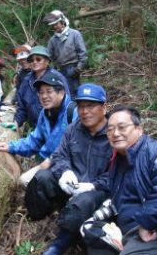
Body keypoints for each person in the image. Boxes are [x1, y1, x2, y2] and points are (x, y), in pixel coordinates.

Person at [25, 83, 113, 255]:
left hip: (95, 193)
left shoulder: (114, 133)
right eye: (81, 106)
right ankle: (38, 218)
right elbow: (59, 155)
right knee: (42, 177)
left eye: (91, 106)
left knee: (84, 201)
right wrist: (65, 172)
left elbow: (119, 174)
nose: (85, 111)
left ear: (104, 107)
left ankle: (60, 244)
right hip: (71, 185)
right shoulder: (74, 128)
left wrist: (93, 185)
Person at [90, 106, 157, 255]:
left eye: (122, 127)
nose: (115, 133)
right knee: (91, 233)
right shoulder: (118, 160)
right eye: (110, 129)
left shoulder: (156, 152)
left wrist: (145, 221)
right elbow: (122, 197)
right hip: (128, 228)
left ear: (139, 129)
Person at [0, 73, 77, 187]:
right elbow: (35, 140)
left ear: (61, 93)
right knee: (24, 181)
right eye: (41, 92)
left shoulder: (73, 112)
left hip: (69, 166)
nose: (44, 96)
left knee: (32, 182)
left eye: (49, 91)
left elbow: (78, 147)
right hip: (48, 163)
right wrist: (11, 146)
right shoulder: (45, 113)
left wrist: (52, 159)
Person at [14, 46, 69, 129]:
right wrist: (16, 122)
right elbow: (21, 106)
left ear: (47, 61)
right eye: (31, 60)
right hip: (35, 129)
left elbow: (66, 104)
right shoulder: (26, 80)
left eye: (38, 59)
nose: (34, 62)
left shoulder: (57, 78)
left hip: (55, 128)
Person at [44, 10, 87, 99]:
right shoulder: (53, 40)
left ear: (62, 22)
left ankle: (76, 111)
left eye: (56, 24)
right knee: (63, 94)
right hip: (60, 70)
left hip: (73, 68)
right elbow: (48, 56)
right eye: (53, 25)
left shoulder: (74, 34)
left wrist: (78, 68)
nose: (55, 27)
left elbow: (82, 53)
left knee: (75, 93)